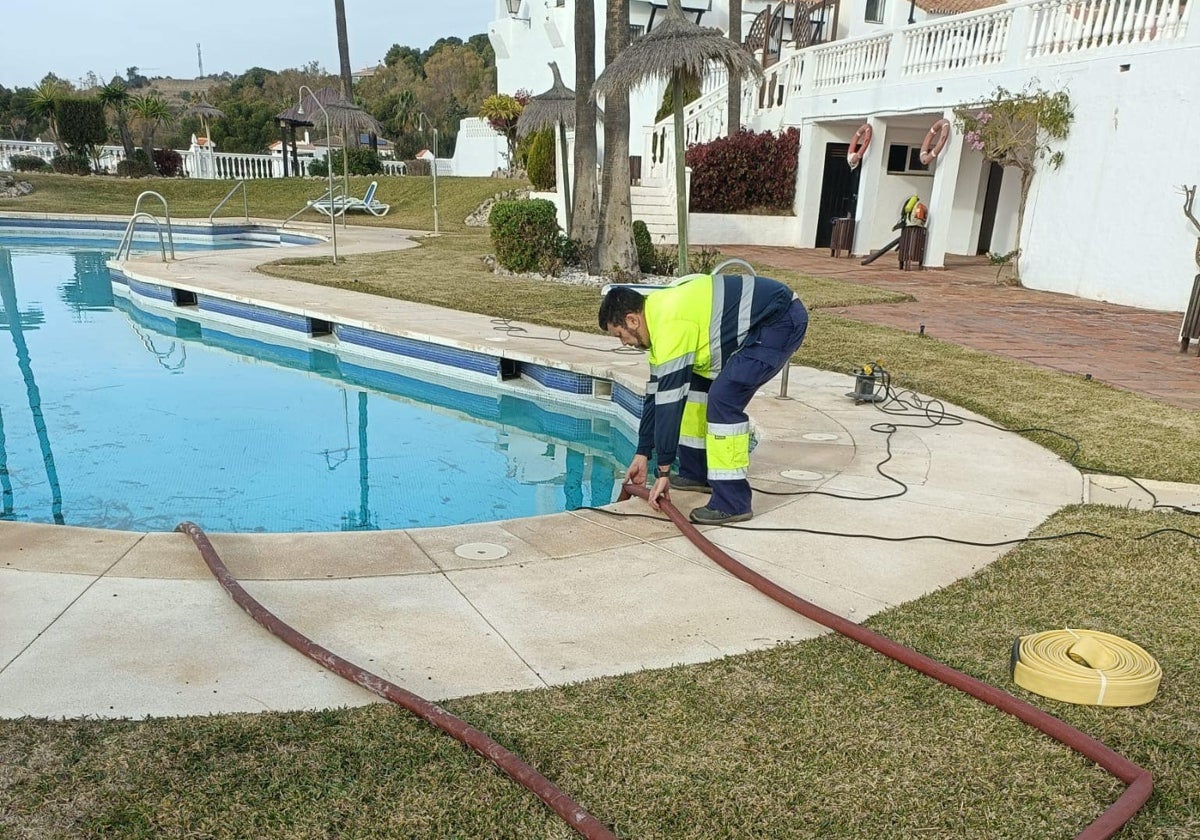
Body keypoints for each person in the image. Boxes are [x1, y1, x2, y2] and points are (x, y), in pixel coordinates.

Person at [599, 273, 808, 525]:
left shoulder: (670, 325)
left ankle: (733, 502)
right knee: (698, 388)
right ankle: (697, 473)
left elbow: (670, 404)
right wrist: (643, 451)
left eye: (620, 335)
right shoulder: (657, 321)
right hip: (766, 318)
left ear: (632, 320)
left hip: (779, 320)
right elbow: (656, 398)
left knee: (723, 399)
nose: (624, 343)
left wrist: (663, 470)